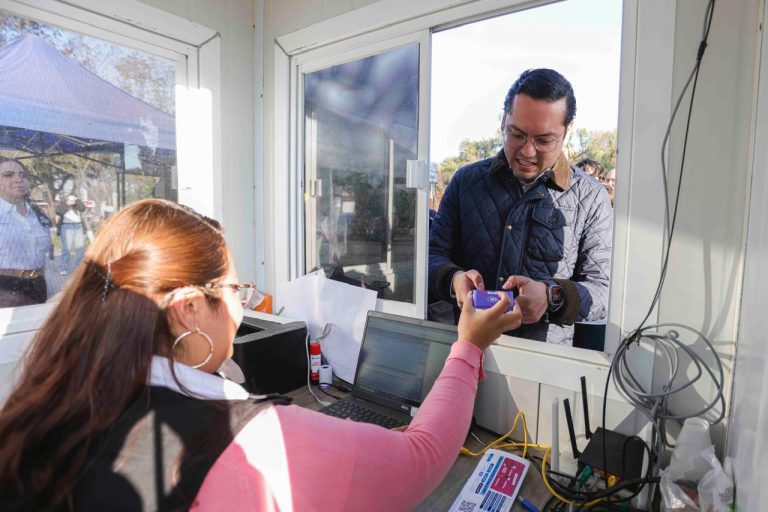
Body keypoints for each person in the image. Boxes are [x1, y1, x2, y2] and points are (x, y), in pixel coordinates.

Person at [0, 198, 521, 511]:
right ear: (188, 309)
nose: (241, 303)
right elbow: (422, 456)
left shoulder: (50, 404)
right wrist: (469, 345)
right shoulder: (250, 439)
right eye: (233, 289)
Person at [429, 68, 613, 346]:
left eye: (544, 140)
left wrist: (552, 296)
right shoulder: (466, 182)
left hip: (545, 361)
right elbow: (433, 254)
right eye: (517, 135)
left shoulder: (591, 197)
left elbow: (604, 291)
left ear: (568, 130)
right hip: (468, 349)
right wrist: (453, 279)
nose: (527, 151)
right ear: (503, 121)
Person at [0, 158, 51, 307]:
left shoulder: (37, 213)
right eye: (8, 175)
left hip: (38, 286)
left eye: (23, 175)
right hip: (5, 289)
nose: (18, 179)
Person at [56, 194, 86, 275]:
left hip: (78, 226)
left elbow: (83, 209)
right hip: (66, 226)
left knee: (80, 249)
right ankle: (64, 268)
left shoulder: (77, 204)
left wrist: (77, 200)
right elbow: (58, 212)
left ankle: (79, 268)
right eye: (70, 199)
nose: (72, 201)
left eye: (73, 199)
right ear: (67, 199)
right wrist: (67, 204)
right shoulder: (63, 205)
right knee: (66, 249)